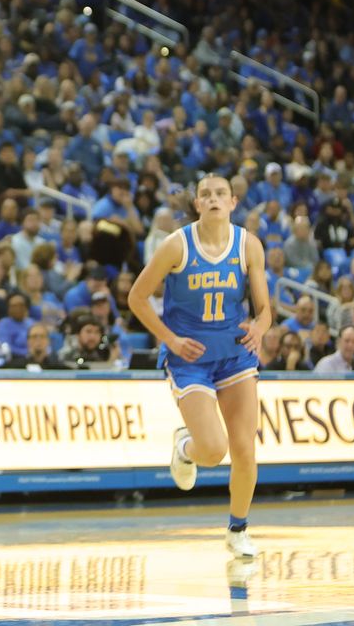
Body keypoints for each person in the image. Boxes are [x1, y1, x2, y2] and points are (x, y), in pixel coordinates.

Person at [128, 174, 271, 559]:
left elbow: (264, 310)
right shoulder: (176, 245)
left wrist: (260, 328)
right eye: (205, 194)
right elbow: (137, 297)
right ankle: (185, 446)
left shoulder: (248, 245)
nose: (213, 199)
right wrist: (170, 339)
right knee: (212, 450)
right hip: (189, 357)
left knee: (244, 449)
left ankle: (238, 529)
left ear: (233, 202)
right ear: (196, 205)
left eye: (220, 193)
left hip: (235, 354)